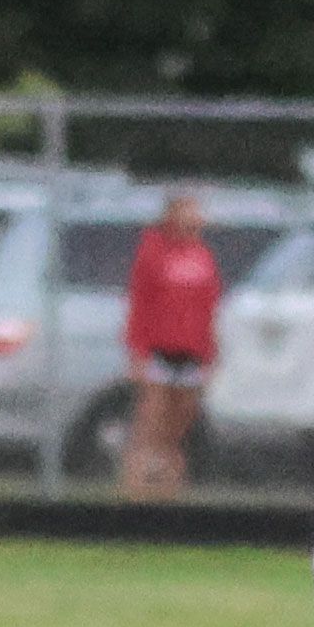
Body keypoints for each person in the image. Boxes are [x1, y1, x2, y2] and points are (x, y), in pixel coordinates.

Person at [120, 192, 220, 498]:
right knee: (152, 419)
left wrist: (210, 352)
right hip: (158, 349)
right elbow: (141, 303)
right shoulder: (153, 252)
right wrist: (137, 350)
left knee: (180, 422)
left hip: (191, 351)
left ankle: (168, 489)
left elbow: (209, 307)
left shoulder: (203, 256)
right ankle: (134, 486)